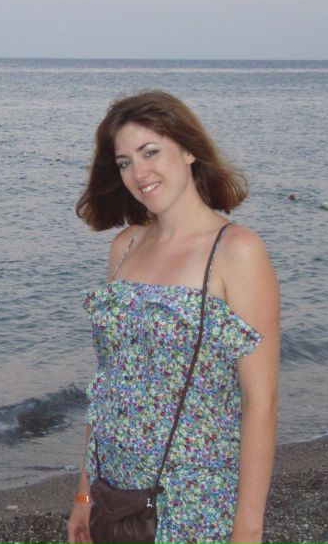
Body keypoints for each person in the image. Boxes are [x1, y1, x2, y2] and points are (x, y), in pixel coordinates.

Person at [67, 91, 280, 544]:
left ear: (188, 150)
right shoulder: (125, 247)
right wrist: (83, 496)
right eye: (124, 162)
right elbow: (107, 385)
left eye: (150, 152)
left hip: (194, 501)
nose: (139, 174)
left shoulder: (236, 251)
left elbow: (260, 402)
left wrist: (247, 529)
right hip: (112, 493)